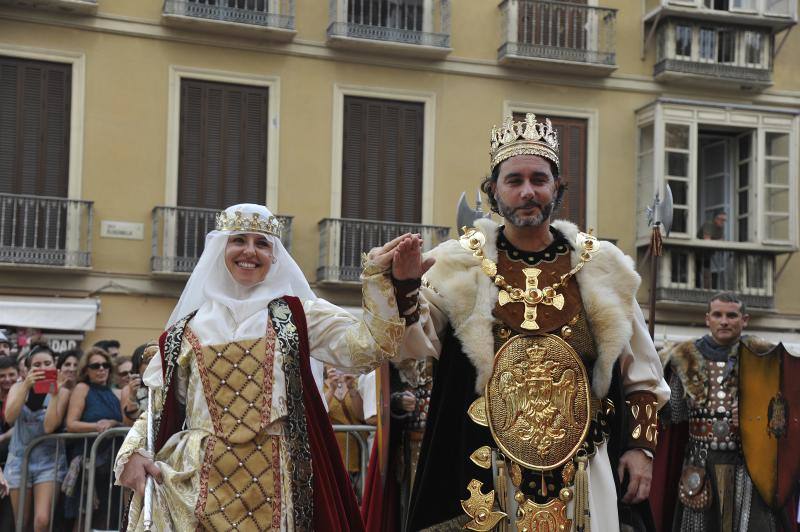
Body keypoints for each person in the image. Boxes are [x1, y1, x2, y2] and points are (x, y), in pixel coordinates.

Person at [393, 114, 669, 531]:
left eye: (539, 179)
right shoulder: (457, 263)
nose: (527, 192)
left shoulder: (601, 267)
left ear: (556, 188)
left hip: (584, 469)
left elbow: (643, 377)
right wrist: (403, 288)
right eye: (514, 180)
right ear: (494, 190)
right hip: (482, 468)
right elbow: (413, 343)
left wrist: (641, 450)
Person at [114, 203, 417, 531]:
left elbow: (370, 348)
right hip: (197, 482)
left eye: (262, 243)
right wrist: (131, 451)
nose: (249, 251)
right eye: (239, 240)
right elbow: (159, 407)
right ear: (221, 249)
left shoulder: (300, 316)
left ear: (274, 256)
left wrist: (382, 280)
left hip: (276, 481)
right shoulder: (186, 330)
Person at [657, 292, 798, 531]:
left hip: (751, 463)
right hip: (701, 460)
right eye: (718, 315)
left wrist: (754, 416)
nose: (724, 321)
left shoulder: (765, 356)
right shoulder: (685, 357)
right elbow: (673, 416)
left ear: (744, 320)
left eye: (731, 315)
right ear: (707, 319)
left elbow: (784, 413)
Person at [2, 344, 66, 531]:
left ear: (55, 366)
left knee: (42, 521)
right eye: (37, 364)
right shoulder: (17, 387)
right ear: (28, 369)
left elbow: (49, 426)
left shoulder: (63, 391)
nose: (43, 368)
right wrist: (26, 386)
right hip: (19, 460)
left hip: (48, 461)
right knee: (20, 521)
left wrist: (54, 394)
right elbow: (9, 417)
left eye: (47, 363)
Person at [65, 347, 123, 528]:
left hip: (110, 463)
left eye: (105, 365)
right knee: (83, 516)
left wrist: (112, 423)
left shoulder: (115, 393)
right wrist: (97, 426)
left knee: (105, 518)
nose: (101, 369)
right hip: (87, 461)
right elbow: (71, 424)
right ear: (86, 370)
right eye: (95, 365)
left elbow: (122, 424)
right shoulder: (82, 388)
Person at [324, 366, 366, 492]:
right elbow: (318, 413)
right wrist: (332, 389)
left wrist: (352, 389)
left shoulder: (355, 381)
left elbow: (362, 416)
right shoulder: (319, 383)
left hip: (357, 455)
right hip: (330, 455)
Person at [120, 343, 157, 427]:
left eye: (156, 361)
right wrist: (132, 397)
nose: (153, 365)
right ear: (137, 366)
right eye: (147, 361)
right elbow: (127, 424)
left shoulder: (166, 386)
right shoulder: (129, 389)